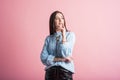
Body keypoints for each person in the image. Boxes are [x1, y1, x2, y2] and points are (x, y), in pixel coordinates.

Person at [40, 11, 75, 80]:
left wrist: (64, 36)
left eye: (62, 18)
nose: (60, 21)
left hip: (65, 73)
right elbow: (43, 58)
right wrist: (62, 59)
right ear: (53, 22)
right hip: (50, 74)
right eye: (57, 18)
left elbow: (65, 54)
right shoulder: (49, 38)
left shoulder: (70, 35)